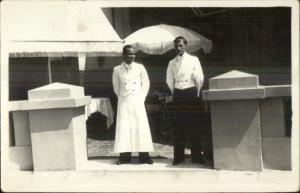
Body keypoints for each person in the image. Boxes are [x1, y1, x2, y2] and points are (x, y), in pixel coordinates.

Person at [166, 36, 205, 165]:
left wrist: (196, 91)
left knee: (194, 125)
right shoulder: (172, 62)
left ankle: (197, 156)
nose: (179, 48)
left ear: (186, 45)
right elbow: (169, 80)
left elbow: (199, 77)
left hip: (191, 92)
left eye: (181, 45)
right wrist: (175, 92)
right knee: (178, 127)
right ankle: (178, 157)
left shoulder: (194, 60)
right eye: (176, 46)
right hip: (178, 93)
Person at [112, 45, 154, 165]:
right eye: (129, 54)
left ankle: (144, 157)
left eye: (134, 54)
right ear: (124, 55)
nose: (132, 56)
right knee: (124, 128)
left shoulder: (140, 67)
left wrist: (142, 98)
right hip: (124, 102)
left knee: (141, 127)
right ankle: (124, 157)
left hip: (137, 101)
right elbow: (116, 88)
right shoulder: (117, 69)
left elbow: (146, 84)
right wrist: (123, 96)